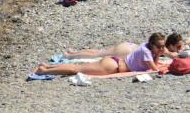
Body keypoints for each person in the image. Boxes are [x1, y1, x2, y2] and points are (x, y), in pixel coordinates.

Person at [34, 34, 167, 77]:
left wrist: (158, 54)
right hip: (112, 66)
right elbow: (155, 69)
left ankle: (48, 66)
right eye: (159, 47)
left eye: (163, 46)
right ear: (153, 45)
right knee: (76, 69)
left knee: (78, 67)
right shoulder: (146, 52)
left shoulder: (146, 46)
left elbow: (153, 63)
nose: (162, 49)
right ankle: (44, 70)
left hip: (114, 62)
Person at [66, 32, 183, 60]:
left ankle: (74, 52)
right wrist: (180, 54)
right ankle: (69, 56)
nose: (179, 49)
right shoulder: (164, 49)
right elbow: (174, 56)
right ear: (171, 45)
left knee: (99, 51)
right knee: (97, 55)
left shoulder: (160, 43)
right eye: (178, 47)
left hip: (129, 46)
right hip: (126, 51)